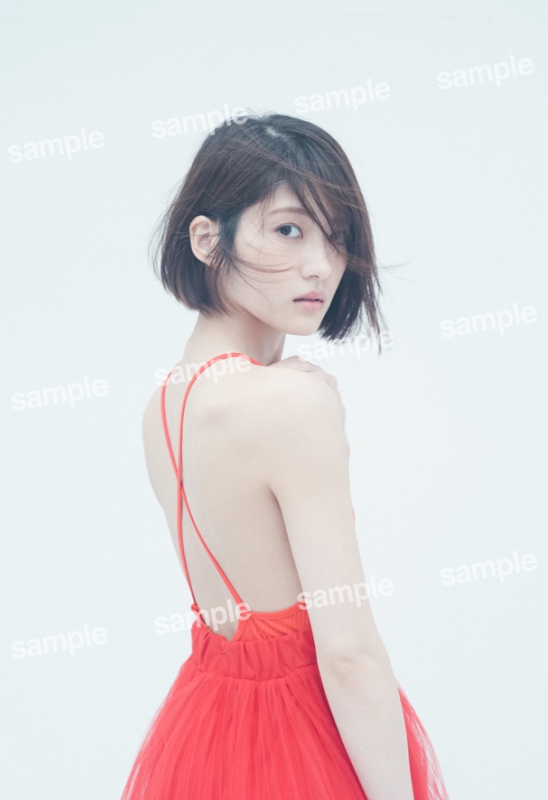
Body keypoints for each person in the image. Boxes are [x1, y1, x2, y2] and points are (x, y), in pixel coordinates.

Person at [120, 112, 449, 800]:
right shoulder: (289, 403)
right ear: (206, 240)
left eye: (338, 237)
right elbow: (347, 651)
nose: (321, 265)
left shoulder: (163, 406)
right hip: (302, 738)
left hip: (209, 733)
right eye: (288, 230)